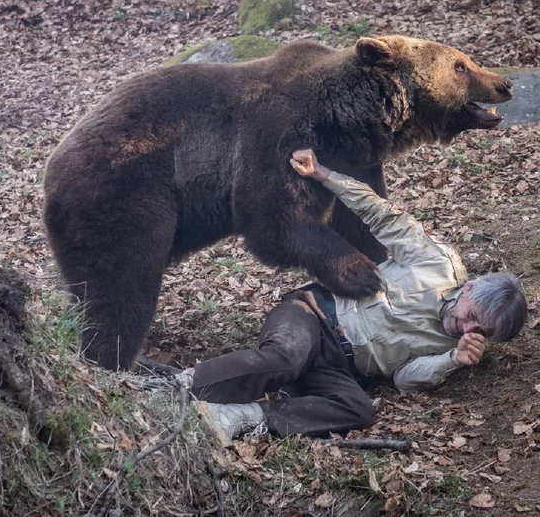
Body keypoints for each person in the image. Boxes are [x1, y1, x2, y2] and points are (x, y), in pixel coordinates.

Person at [177, 148, 528, 447]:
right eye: (471, 314)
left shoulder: (456, 345)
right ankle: (180, 388)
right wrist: (323, 174)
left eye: (479, 329)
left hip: (338, 367)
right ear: (470, 288)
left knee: (358, 410)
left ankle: (236, 416)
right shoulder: (437, 263)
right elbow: (381, 214)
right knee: (286, 357)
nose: (465, 326)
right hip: (313, 315)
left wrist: (451, 359)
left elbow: (405, 380)